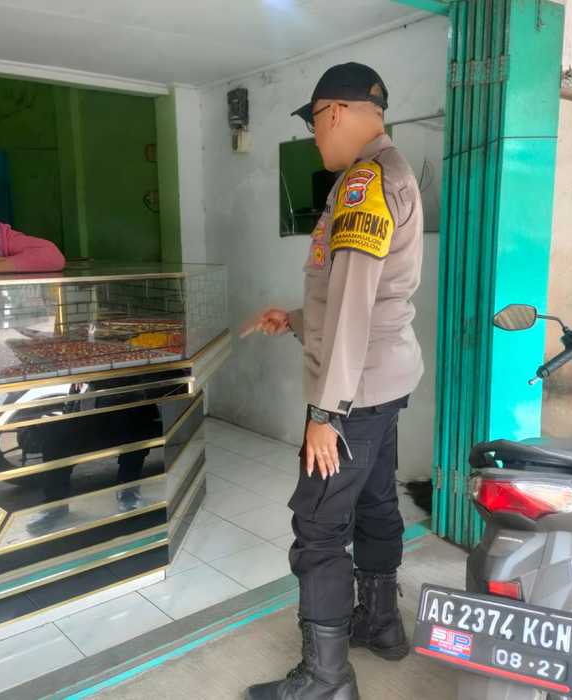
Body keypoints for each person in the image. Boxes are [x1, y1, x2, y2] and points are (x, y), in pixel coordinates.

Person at [243, 63, 424, 700]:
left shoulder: (364, 184)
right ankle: (379, 622)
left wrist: (324, 413)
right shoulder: (388, 172)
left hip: (352, 393)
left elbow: (352, 306)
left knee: (318, 528)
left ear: (336, 112)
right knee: (374, 501)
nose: (316, 138)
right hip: (382, 383)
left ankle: (325, 678)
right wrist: (295, 319)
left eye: (315, 124)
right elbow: (358, 295)